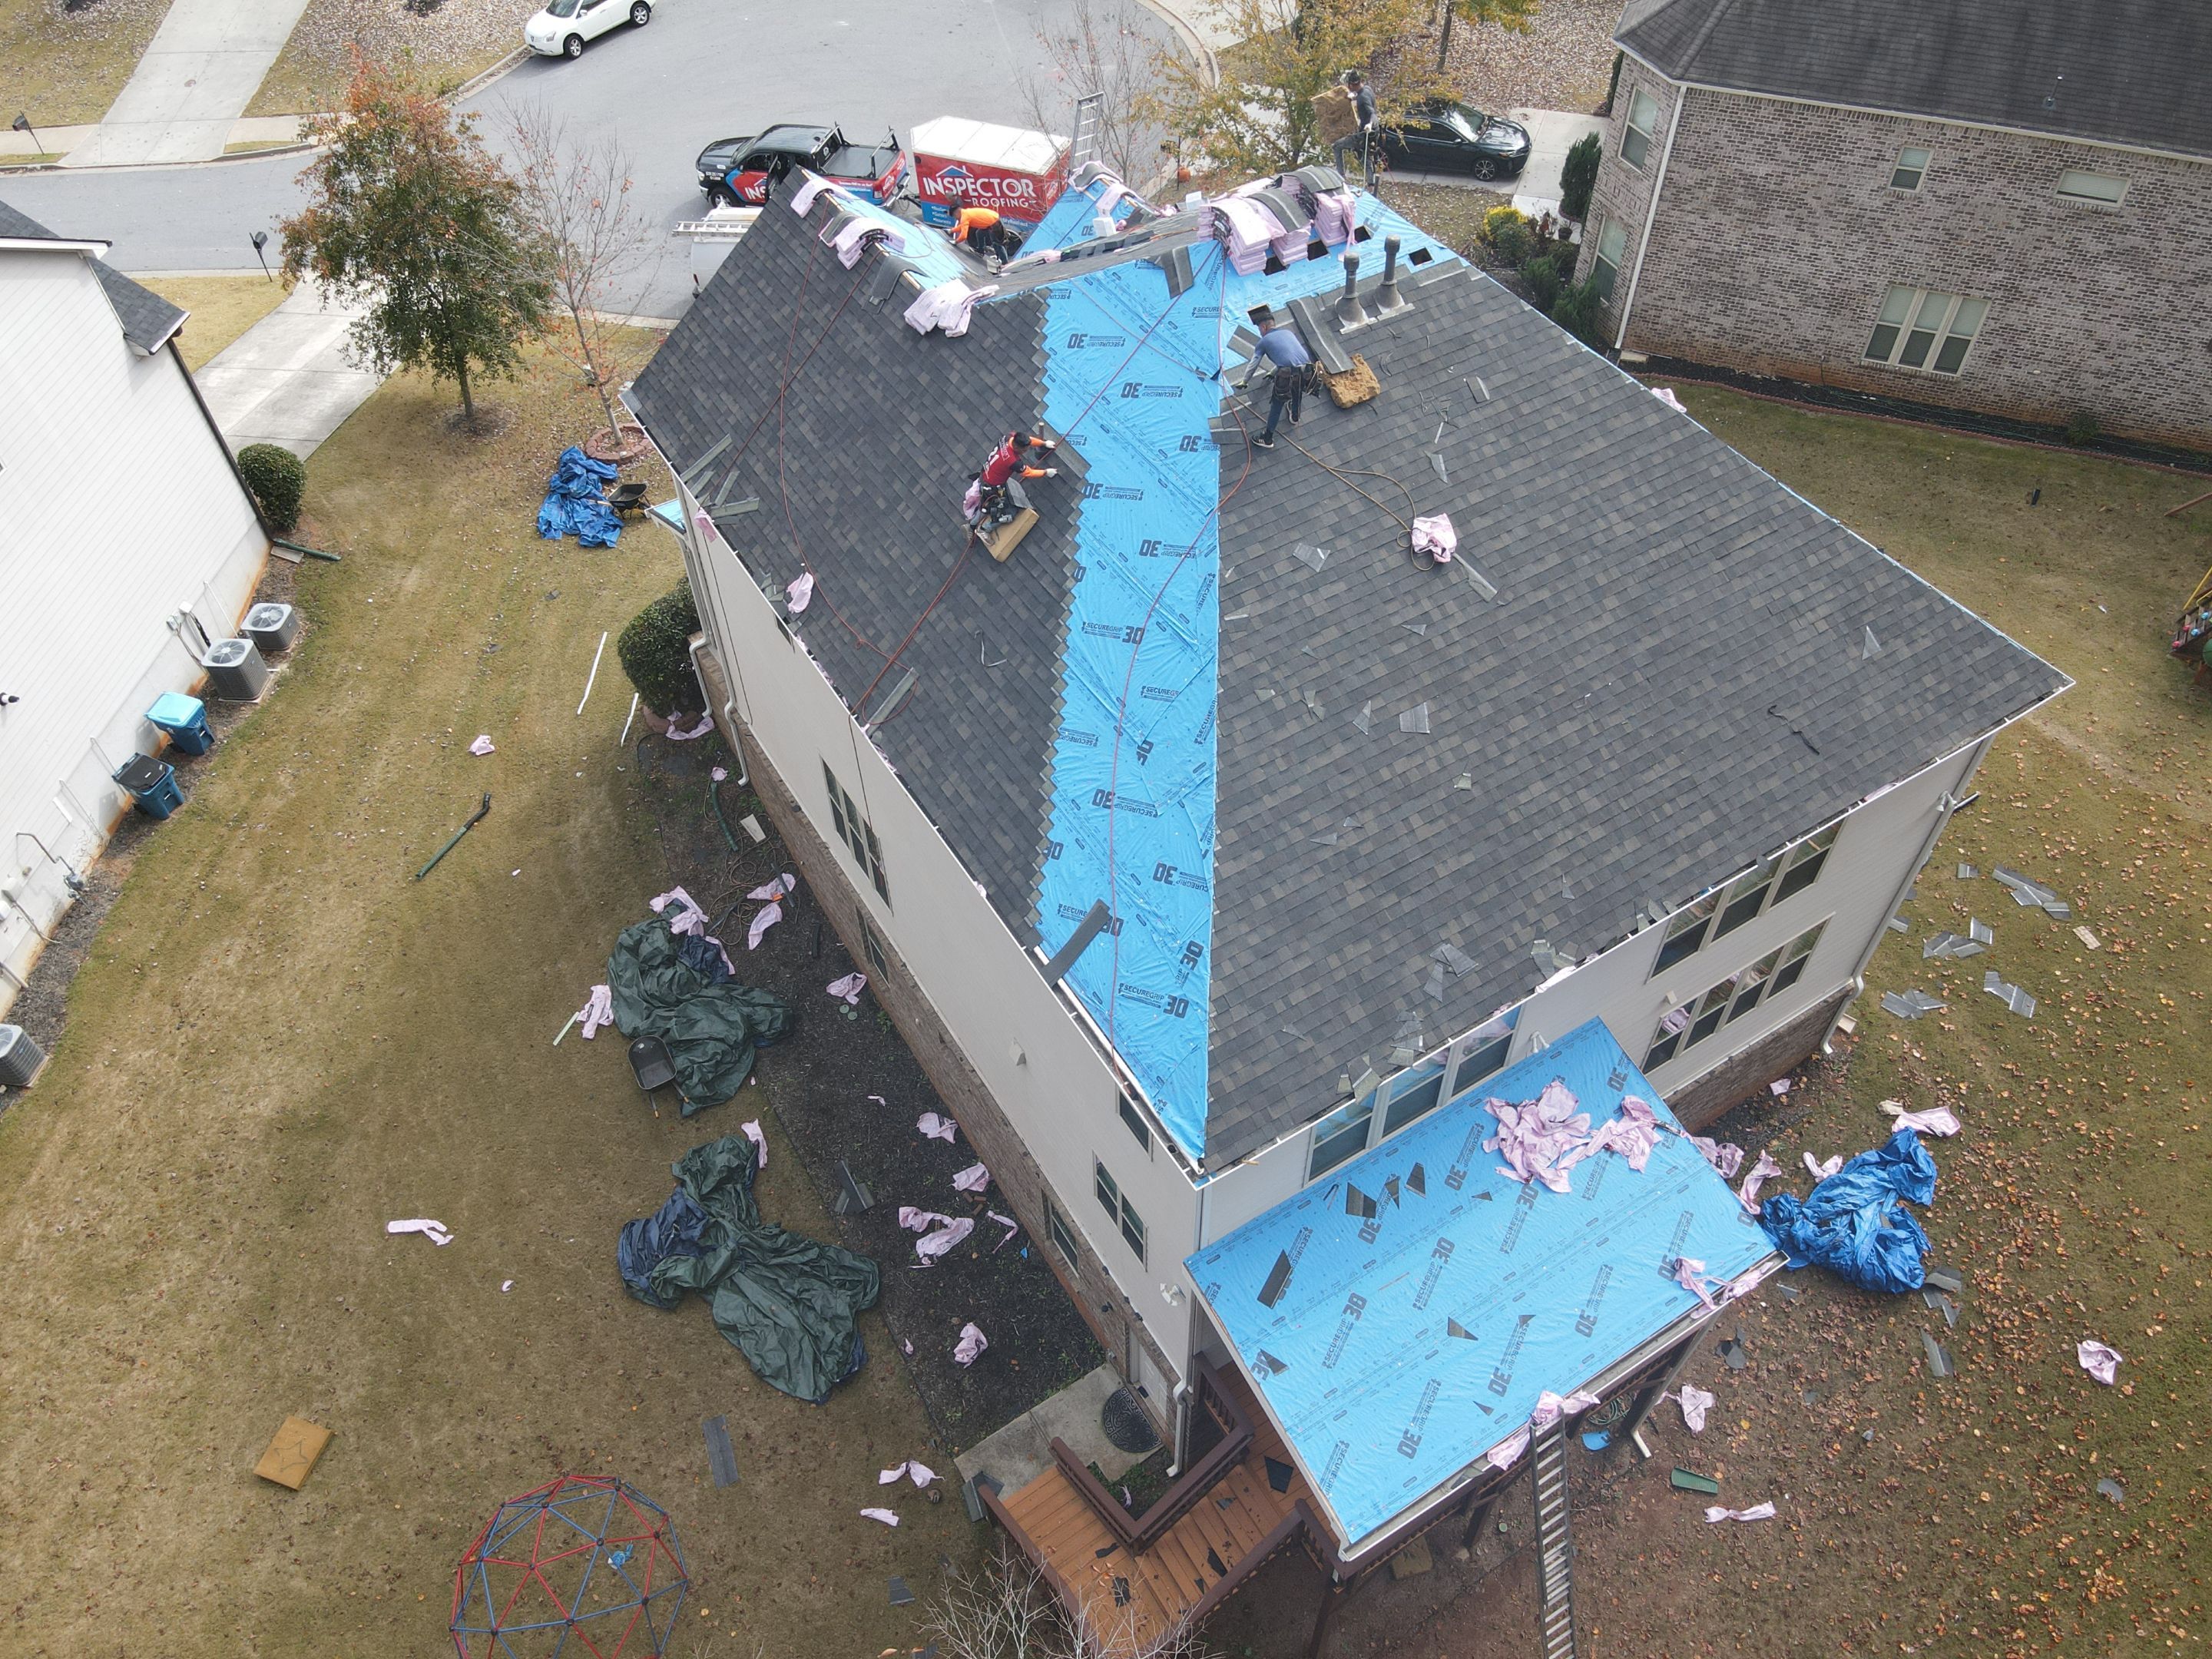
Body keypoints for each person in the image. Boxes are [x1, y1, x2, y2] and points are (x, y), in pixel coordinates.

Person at [1241, 310, 1313, 449]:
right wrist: (1273, 372)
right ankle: (1295, 416)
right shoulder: (1288, 333)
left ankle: (1267, 438)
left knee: (1277, 405)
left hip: (1289, 374)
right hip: (1308, 371)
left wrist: (1245, 381)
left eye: (1259, 329)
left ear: (1263, 327)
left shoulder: (1264, 341)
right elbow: (1289, 356)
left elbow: (1253, 364)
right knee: (1297, 391)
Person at [969, 431, 1058, 524]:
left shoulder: (1009, 437)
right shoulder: (1013, 461)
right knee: (1005, 509)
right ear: (1016, 447)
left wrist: (1043, 443)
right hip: (992, 487)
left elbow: (1028, 440)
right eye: (1024, 450)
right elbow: (1028, 473)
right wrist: (1046, 472)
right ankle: (977, 527)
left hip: (985, 473)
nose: (1025, 452)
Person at [1333, 70, 1379, 190]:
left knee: (1337, 146)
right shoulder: (1367, 89)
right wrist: (1354, 97)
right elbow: (1362, 95)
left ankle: (1341, 176)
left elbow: (1373, 114)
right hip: (1375, 132)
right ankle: (1371, 184)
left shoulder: (1363, 99)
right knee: (1365, 156)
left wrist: (1369, 124)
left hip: (1366, 132)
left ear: (1352, 85)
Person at [952, 202, 1017, 266]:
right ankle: (980, 251)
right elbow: (962, 227)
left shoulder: (966, 216)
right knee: (979, 233)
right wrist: (952, 231)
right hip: (988, 224)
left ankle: (1005, 263)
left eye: (955, 216)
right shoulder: (967, 214)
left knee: (997, 243)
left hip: (994, 224)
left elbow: (963, 236)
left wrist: (956, 242)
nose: (956, 218)